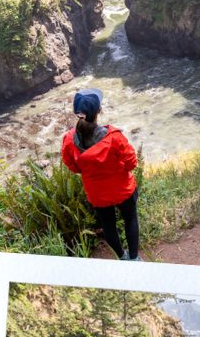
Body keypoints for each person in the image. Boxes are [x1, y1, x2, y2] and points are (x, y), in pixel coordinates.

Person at [60, 88, 142, 260]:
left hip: (97, 193)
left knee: (108, 225)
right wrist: (118, 169)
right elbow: (132, 162)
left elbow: (72, 166)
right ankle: (134, 259)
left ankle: (122, 257)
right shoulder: (113, 137)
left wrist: (89, 170)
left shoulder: (69, 140)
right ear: (99, 110)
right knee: (130, 219)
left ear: (76, 113)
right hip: (122, 188)